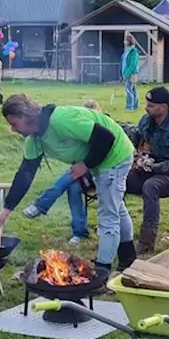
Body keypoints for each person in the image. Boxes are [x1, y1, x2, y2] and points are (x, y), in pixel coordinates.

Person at [0, 94, 137, 271]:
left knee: (108, 213)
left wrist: (85, 164)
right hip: (99, 159)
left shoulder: (60, 120)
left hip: (115, 154)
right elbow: (25, 174)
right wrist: (5, 212)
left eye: (14, 124)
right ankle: (129, 259)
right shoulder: (35, 140)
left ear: (27, 117)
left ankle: (102, 270)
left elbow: (106, 138)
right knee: (115, 206)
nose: (13, 130)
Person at [20, 99, 104, 246]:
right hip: (82, 173)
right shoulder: (77, 128)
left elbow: (101, 152)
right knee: (73, 187)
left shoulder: (101, 129)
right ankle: (79, 232)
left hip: (101, 171)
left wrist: (84, 165)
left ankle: (41, 205)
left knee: (69, 178)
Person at [126, 87, 169, 255]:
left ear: (164, 107)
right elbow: (138, 142)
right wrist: (136, 159)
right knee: (121, 180)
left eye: (151, 105)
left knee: (150, 186)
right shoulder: (145, 121)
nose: (146, 108)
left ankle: (146, 244)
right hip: (148, 169)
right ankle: (119, 233)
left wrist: (152, 167)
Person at [121, 32, 140, 111]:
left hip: (131, 73)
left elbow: (132, 64)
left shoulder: (133, 51)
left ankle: (130, 107)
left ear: (129, 41)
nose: (124, 42)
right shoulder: (127, 51)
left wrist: (127, 74)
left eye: (125, 40)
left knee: (129, 90)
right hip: (126, 72)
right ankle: (135, 105)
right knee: (133, 89)